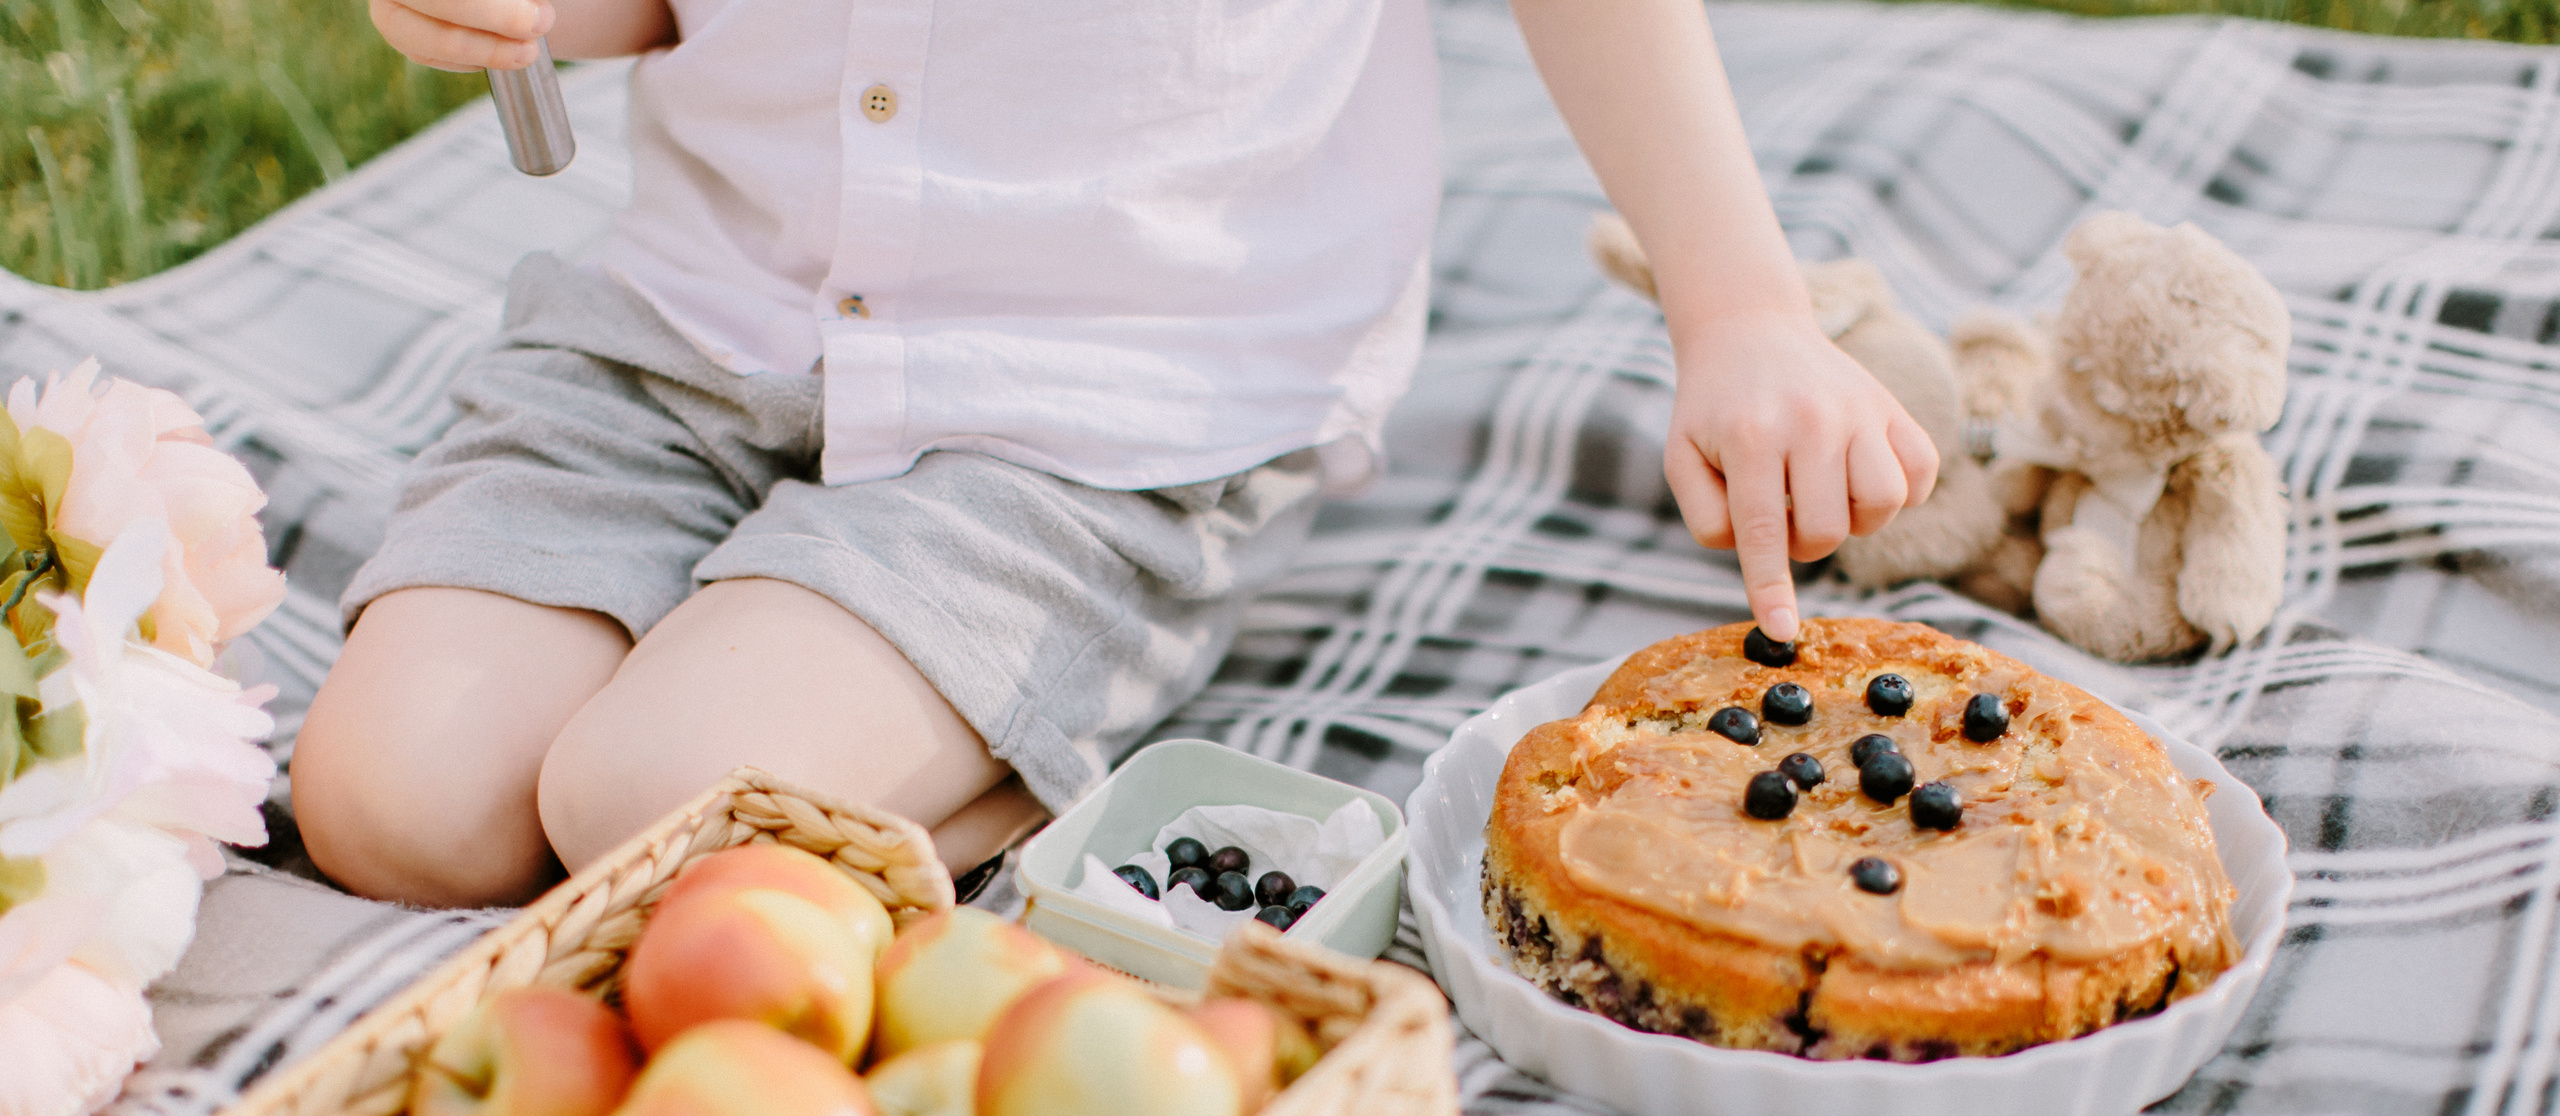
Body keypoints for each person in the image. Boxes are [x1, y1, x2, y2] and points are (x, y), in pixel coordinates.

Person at [291, 0, 1938, 909]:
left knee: (648, 806)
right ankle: (833, 687)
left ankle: (1056, 684)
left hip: (1090, 400)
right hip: (706, 322)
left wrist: (1740, 312)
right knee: (394, 804)